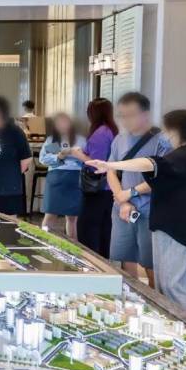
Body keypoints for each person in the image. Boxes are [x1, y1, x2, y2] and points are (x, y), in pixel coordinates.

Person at [86, 109, 186, 313]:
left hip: (177, 232)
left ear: (177, 131)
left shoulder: (184, 156)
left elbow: (150, 164)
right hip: (177, 229)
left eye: (167, 131)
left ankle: (182, 328)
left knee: (174, 287)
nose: (165, 136)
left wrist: (110, 164)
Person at [107, 92, 170, 288]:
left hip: (150, 211)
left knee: (151, 264)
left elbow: (162, 176)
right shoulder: (120, 139)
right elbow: (111, 170)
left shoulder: (162, 141)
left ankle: (155, 300)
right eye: (122, 115)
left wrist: (130, 193)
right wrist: (122, 200)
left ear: (145, 114)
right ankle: (131, 297)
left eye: (131, 115)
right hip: (123, 209)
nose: (125, 120)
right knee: (126, 258)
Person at [73, 98, 118, 258]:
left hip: (97, 189)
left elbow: (97, 164)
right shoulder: (111, 130)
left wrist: (79, 155)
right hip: (108, 188)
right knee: (104, 229)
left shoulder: (100, 133)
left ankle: (92, 264)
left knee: (88, 230)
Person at [38, 112, 86, 239]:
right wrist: (59, 156)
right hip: (56, 178)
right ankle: (43, 241)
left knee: (72, 217)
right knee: (50, 214)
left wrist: (76, 155)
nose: (62, 125)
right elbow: (43, 159)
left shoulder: (80, 140)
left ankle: (73, 246)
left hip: (75, 178)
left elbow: (88, 159)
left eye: (65, 122)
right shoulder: (52, 140)